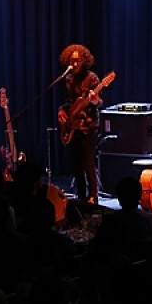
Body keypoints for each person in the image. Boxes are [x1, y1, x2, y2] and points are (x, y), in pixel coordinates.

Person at [57, 44, 103, 204]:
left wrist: (94, 100)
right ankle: (81, 197)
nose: (74, 64)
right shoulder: (68, 79)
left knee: (88, 161)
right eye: (72, 61)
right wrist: (61, 112)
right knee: (76, 164)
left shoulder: (92, 78)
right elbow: (68, 103)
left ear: (84, 61)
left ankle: (93, 196)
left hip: (89, 126)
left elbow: (99, 102)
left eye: (77, 61)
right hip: (73, 125)